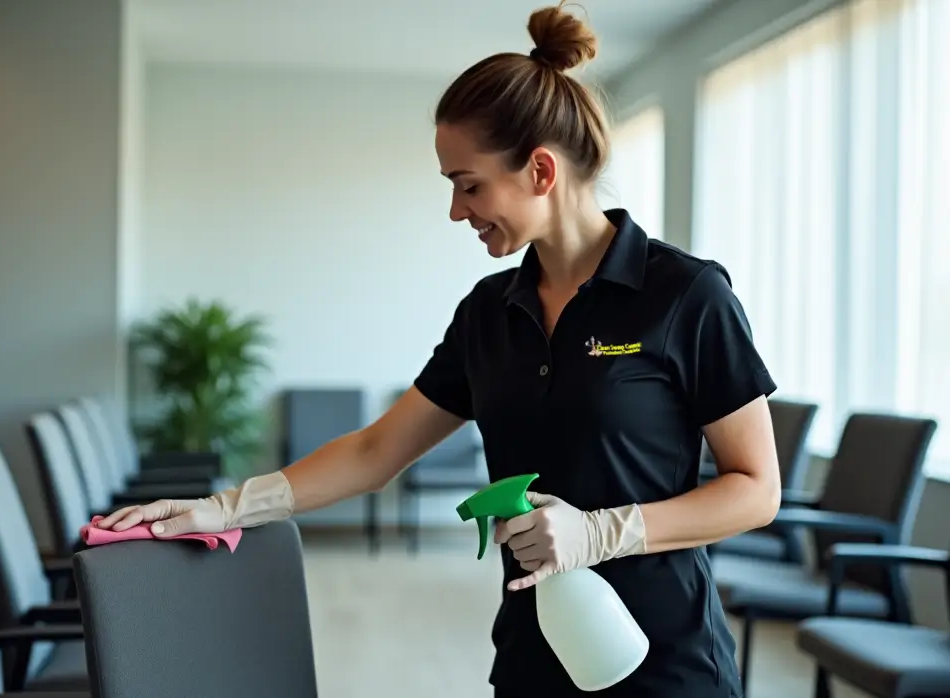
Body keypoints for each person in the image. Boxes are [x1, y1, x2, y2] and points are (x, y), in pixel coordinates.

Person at [96, 3, 781, 696]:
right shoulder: (489, 313)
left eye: (469, 185)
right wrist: (226, 507)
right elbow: (375, 452)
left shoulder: (686, 296)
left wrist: (604, 532)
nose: (458, 211)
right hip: (533, 655)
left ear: (541, 171)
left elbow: (757, 490)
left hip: (663, 662)